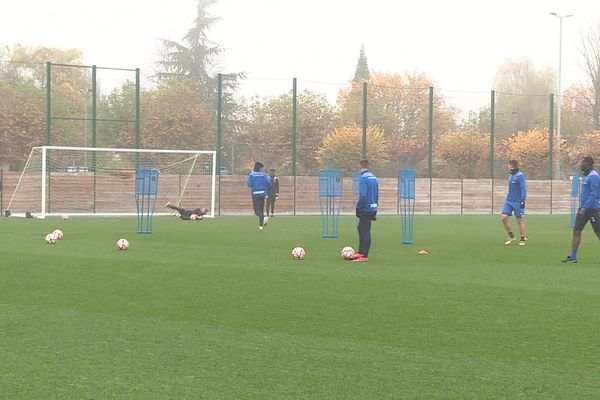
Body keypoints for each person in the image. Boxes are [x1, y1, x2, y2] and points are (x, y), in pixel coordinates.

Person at [561, 156, 600, 263]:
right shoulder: (587, 176)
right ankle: (573, 257)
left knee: (598, 232)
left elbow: (595, 194)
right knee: (576, 231)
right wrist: (582, 207)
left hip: (592, 209)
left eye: (582, 162)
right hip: (583, 208)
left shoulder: (594, 176)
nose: (580, 164)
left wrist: (585, 207)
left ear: (588, 164)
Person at [349, 159, 379, 262]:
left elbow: (363, 195)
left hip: (365, 208)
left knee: (365, 231)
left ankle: (364, 256)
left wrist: (358, 207)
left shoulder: (363, 178)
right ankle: (360, 252)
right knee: (361, 228)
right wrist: (375, 208)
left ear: (360, 166)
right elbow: (376, 194)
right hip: (372, 207)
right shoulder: (374, 178)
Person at [501, 159, 527, 246]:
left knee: (519, 220)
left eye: (508, 165)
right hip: (509, 201)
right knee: (503, 217)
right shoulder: (510, 175)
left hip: (517, 202)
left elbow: (523, 188)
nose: (507, 167)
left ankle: (522, 238)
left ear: (512, 166)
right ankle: (512, 237)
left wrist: (522, 200)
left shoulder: (520, 176)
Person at [246, 161, 272, 230]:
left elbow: (249, 184)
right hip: (263, 193)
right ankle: (260, 226)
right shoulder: (264, 175)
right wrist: (268, 190)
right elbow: (269, 183)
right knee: (261, 209)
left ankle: (263, 218)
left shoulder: (251, 175)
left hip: (255, 194)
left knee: (257, 211)